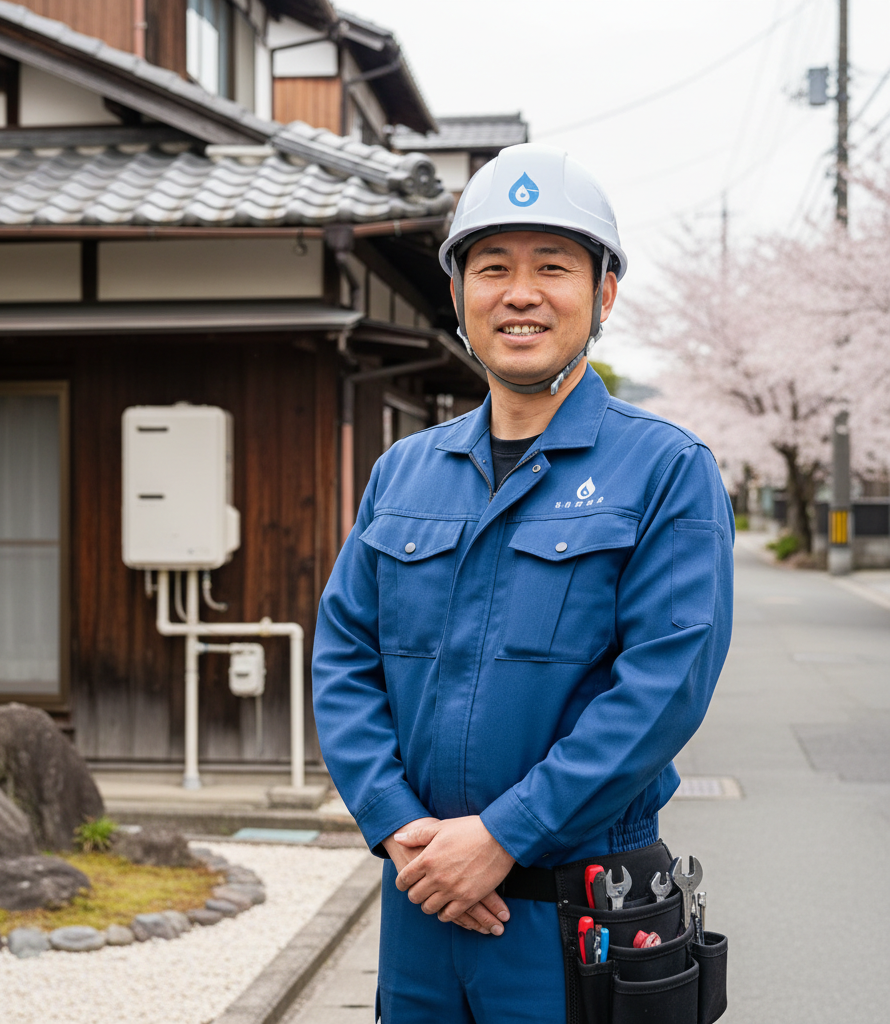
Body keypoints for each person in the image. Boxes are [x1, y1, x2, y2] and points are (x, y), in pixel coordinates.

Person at [312, 143, 734, 1023]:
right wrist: (397, 825)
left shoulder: (665, 470)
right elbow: (343, 657)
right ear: (460, 295)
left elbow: (662, 688)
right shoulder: (404, 472)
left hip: (581, 917)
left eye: (554, 266)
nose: (521, 292)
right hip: (422, 900)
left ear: (603, 294)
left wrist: (505, 836)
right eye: (492, 267)